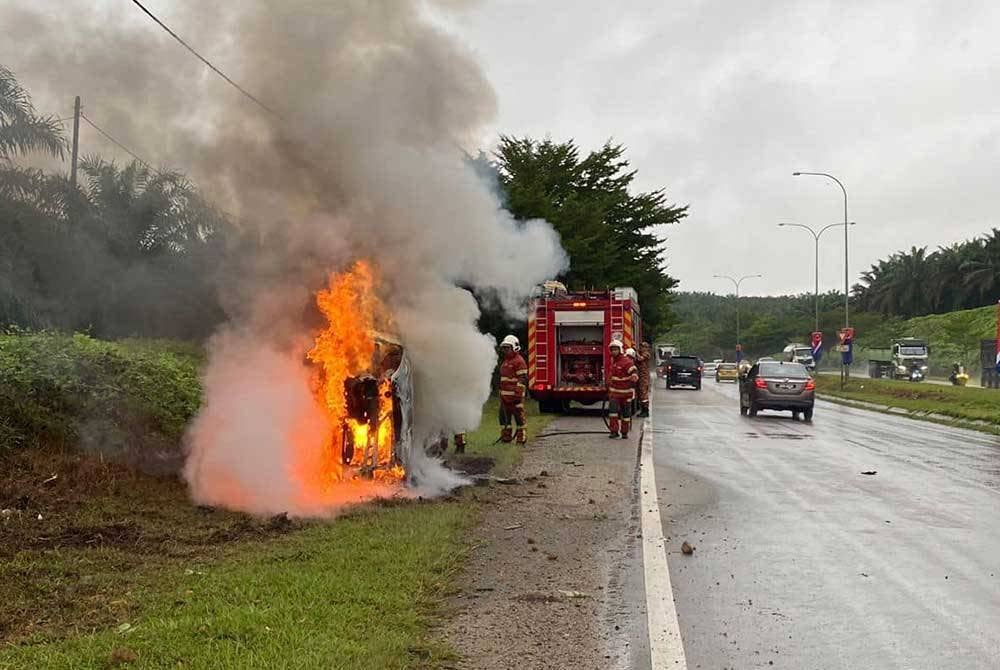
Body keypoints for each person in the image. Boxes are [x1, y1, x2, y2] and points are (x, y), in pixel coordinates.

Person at [498, 334, 528, 444]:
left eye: (507, 348)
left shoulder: (519, 361)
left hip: (515, 397)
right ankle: (506, 438)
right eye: (504, 348)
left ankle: (521, 439)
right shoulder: (506, 361)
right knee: (504, 419)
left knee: (519, 418)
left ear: (515, 347)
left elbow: (523, 379)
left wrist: (518, 395)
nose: (505, 350)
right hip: (505, 397)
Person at [607, 340, 639, 439]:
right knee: (613, 413)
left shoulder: (626, 361)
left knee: (626, 415)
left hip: (625, 394)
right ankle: (614, 432)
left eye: (616, 349)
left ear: (620, 350)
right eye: (612, 350)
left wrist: (634, 375)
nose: (613, 352)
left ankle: (624, 432)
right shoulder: (614, 362)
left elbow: (633, 370)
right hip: (614, 394)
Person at [635, 342, 652, 417]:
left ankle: (645, 411)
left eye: (643, 347)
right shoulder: (642, 353)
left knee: (643, 393)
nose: (642, 348)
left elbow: (639, 359)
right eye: (641, 347)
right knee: (640, 393)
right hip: (641, 376)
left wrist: (635, 351)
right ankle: (643, 410)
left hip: (644, 377)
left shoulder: (646, 354)